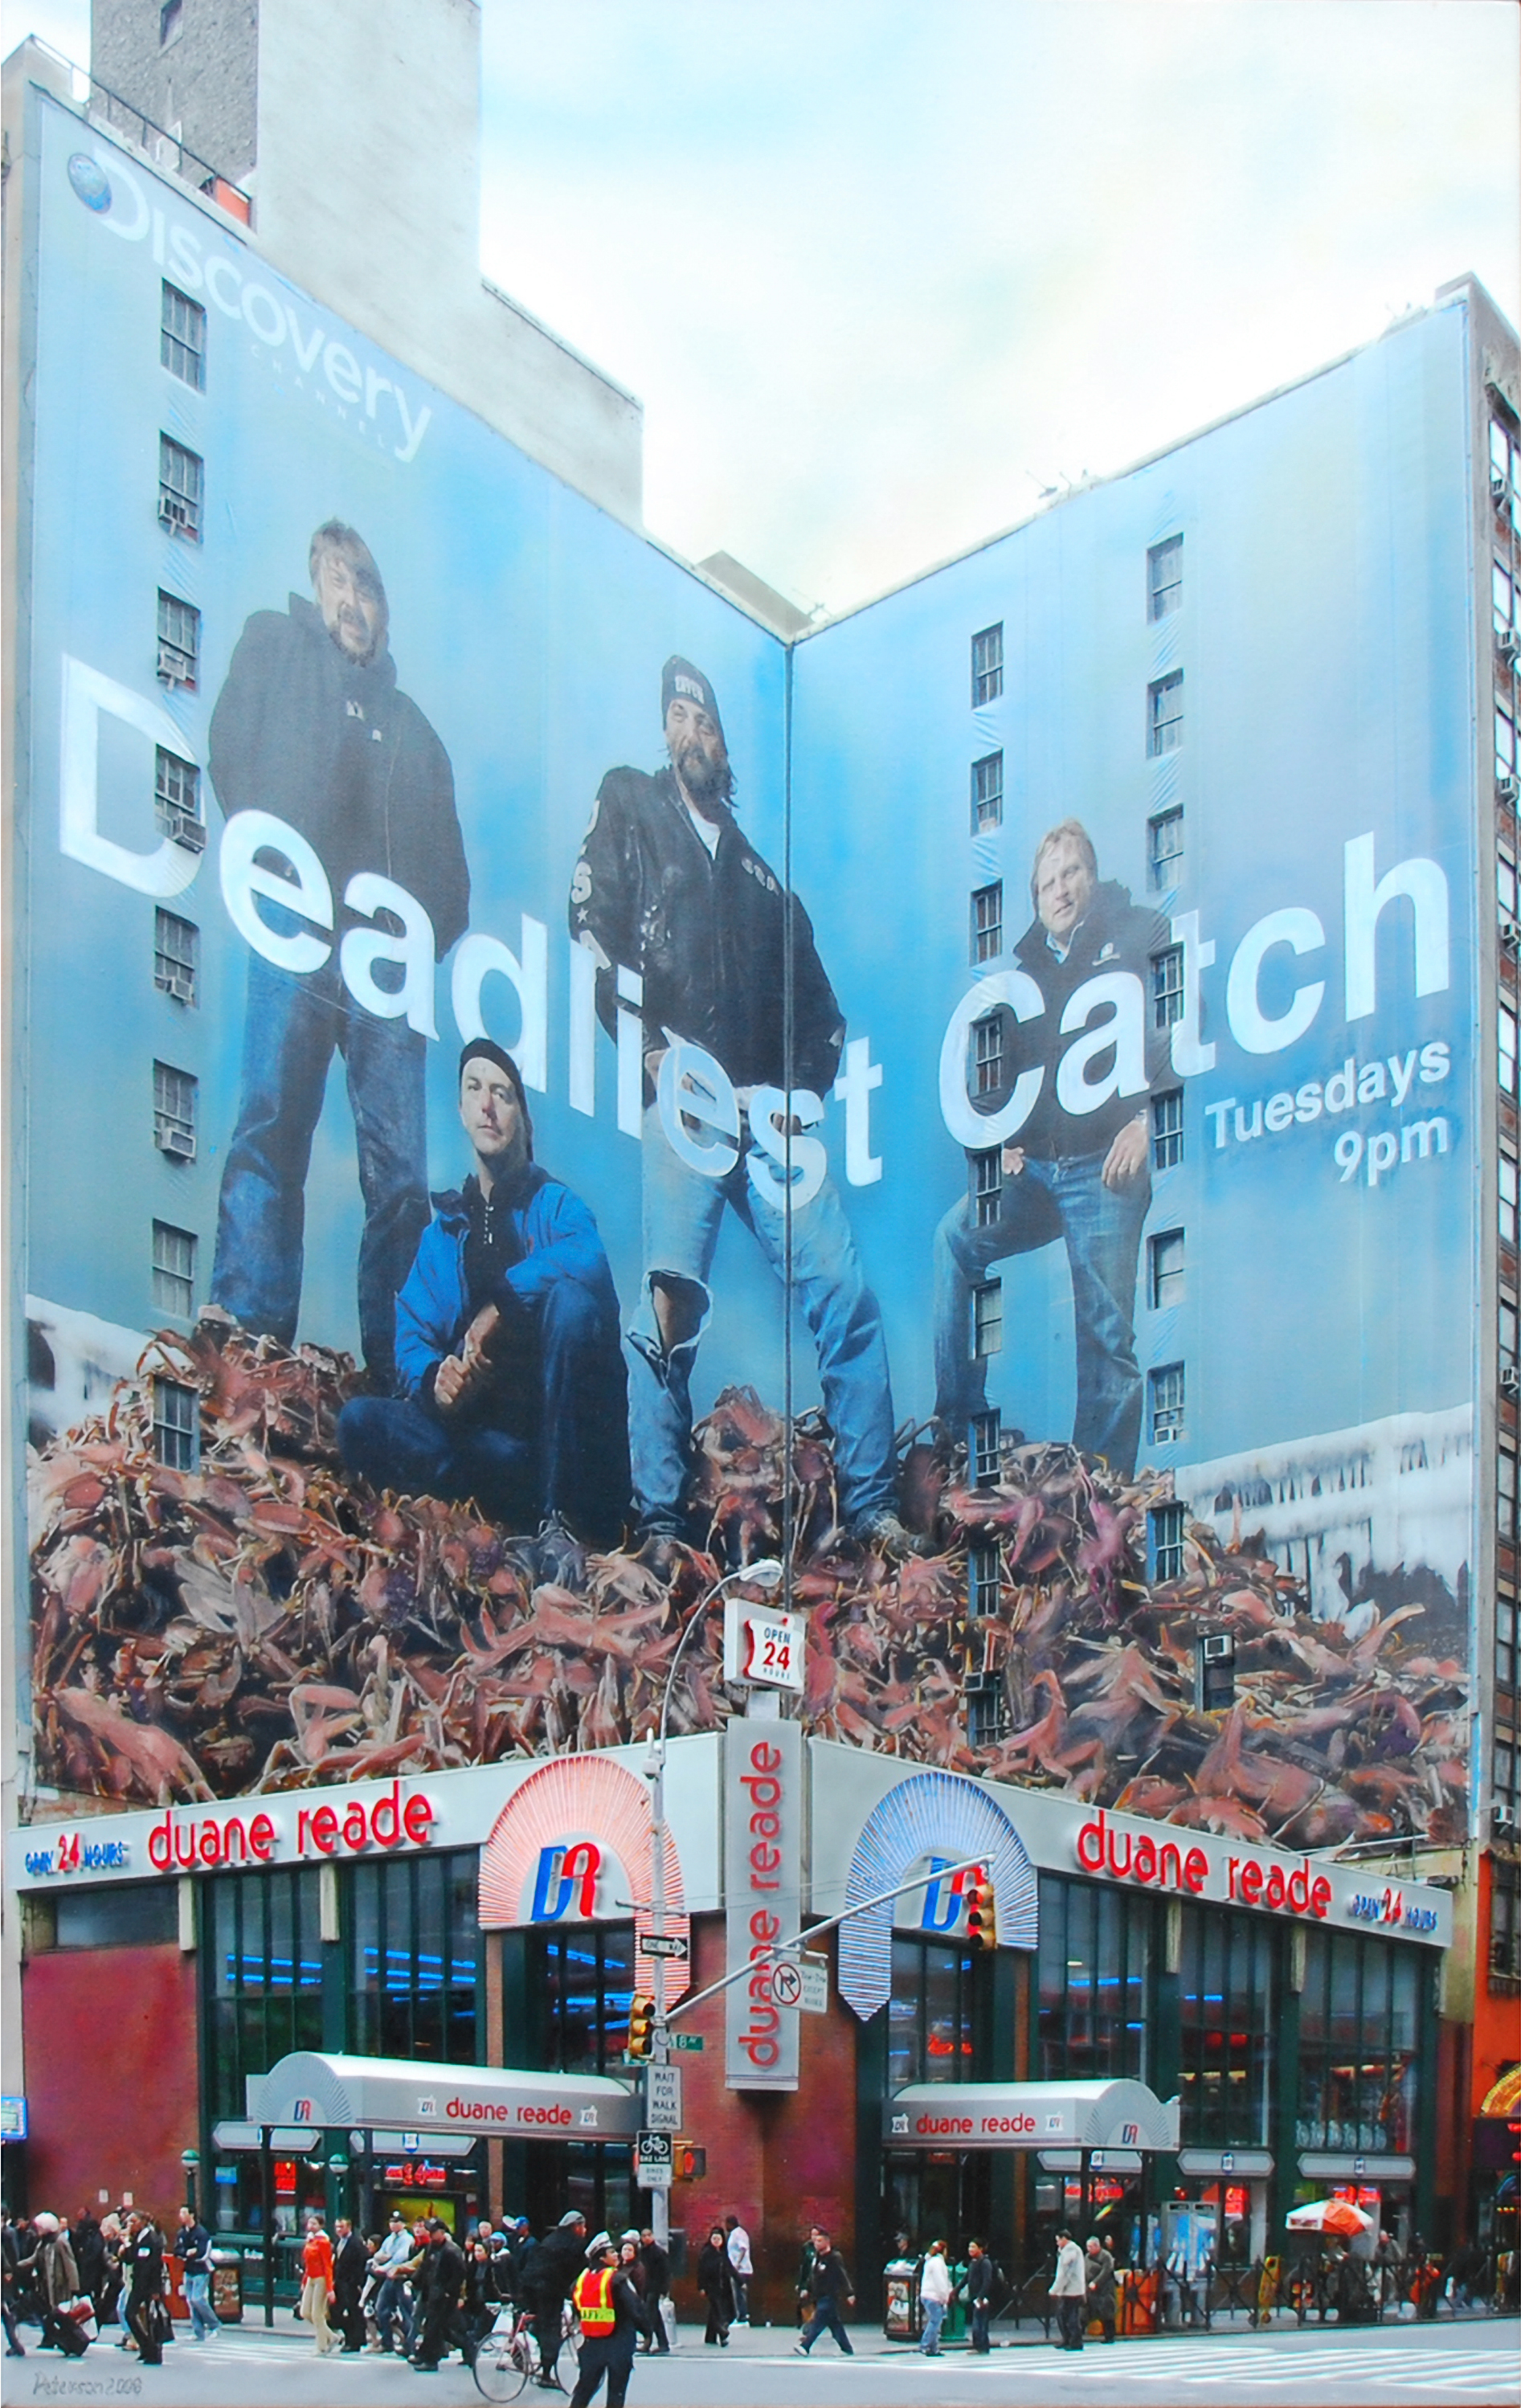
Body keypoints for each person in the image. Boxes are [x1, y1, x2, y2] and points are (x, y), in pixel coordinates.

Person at [570, 656, 913, 1556]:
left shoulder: (768, 883)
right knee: (667, 1305)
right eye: (678, 714)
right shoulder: (631, 805)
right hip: (683, 1090)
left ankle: (873, 1509)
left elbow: (826, 1022)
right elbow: (593, 930)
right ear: (665, 733)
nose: (693, 730)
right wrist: (644, 1046)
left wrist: (793, 1096)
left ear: (724, 745)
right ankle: (654, 1523)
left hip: (762, 1117)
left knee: (843, 1286)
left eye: (706, 719)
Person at [208, 520, 471, 1393]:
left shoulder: (415, 729)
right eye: (340, 582)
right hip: (291, 921)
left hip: (379, 963)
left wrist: (409, 934)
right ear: (314, 585)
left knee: (399, 1179)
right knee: (271, 1120)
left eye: (369, 587)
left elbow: (452, 879)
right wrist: (272, 865)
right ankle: (247, 1331)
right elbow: (228, 750)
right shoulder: (274, 647)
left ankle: (400, 1373)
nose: (355, 603)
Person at [933, 818, 1169, 1478]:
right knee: (954, 1237)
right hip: (1036, 1170)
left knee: (1105, 1332)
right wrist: (998, 1144)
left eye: (1070, 873)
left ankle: (1096, 1488)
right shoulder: (1019, 977)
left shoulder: (1142, 932)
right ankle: (955, 1429)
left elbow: (1178, 1030)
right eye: (1045, 883)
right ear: (1033, 899)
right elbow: (990, 1087)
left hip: (1106, 1166)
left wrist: (1148, 1121)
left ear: (1093, 876)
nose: (1059, 889)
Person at [339, 1040, 630, 1552]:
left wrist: (502, 1303)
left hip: (557, 1451)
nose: (488, 1105)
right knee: (362, 1420)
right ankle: (479, 1519)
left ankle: (565, 1525)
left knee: (571, 1303)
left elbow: (590, 1263)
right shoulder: (446, 1230)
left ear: (522, 1115)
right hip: (484, 1450)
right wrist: (437, 1380)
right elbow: (412, 1333)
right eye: (474, 1089)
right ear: (461, 1108)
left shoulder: (556, 1206)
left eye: (503, 1093)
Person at [569, 2233, 649, 2408]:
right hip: (619, 2341)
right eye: (612, 2252)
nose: (617, 2255)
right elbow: (635, 2308)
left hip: (591, 2344)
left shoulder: (581, 2281)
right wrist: (647, 2331)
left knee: (584, 2390)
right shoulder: (617, 2279)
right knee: (616, 2392)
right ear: (602, 2258)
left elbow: (578, 2307)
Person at [521, 2210, 587, 2389]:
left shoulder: (551, 2238)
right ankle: (546, 2374)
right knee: (552, 2328)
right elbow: (580, 2271)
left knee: (540, 2321)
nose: (584, 2230)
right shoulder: (575, 2243)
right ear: (576, 2226)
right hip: (549, 2289)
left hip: (530, 2285)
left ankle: (521, 2346)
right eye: (583, 2226)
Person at [412, 2218, 472, 2370]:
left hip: (444, 2296)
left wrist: (449, 2293)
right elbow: (425, 2267)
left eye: (433, 2232)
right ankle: (470, 2350)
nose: (430, 2234)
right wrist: (415, 2281)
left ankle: (431, 2360)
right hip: (431, 2292)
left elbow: (460, 2274)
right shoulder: (432, 2247)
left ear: (442, 2232)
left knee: (435, 2327)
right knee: (441, 2327)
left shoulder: (451, 2251)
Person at [793, 2225, 855, 2356]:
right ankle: (847, 2348)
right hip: (819, 2295)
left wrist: (849, 2293)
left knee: (818, 2321)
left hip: (830, 2295)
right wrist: (806, 2288)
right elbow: (812, 2275)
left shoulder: (834, 2257)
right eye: (815, 2241)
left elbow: (842, 2275)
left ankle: (806, 2345)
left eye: (820, 2241)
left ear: (827, 2242)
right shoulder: (817, 2258)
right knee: (835, 2324)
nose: (816, 2243)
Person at [370, 2210, 417, 2354]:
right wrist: (382, 2261)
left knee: (406, 2313)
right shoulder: (389, 2239)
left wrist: (384, 2266)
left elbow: (400, 2258)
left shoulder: (407, 2239)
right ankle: (387, 2342)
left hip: (402, 2279)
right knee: (381, 2309)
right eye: (391, 2222)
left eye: (397, 2222)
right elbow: (379, 2254)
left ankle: (410, 2345)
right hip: (389, 2278)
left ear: (403, 2224)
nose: (393, 2225)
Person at [124, 2212, 167, 2367]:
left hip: (149, 2285)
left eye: (133, 2221)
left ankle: (154, 2351)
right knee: (130, 2313)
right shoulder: (137, 2238)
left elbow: (155, 2266)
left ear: (142, 2222)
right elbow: (130, 2259)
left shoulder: (152, 2239)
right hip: (139, 2283)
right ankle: (146, 2346)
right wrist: (126, 2244)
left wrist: (156, 2289)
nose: (131, 2225)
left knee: (151, 2319)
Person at [175, 2205, 220, 2342]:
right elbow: (177, 2251)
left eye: (184, 2213)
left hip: (201, 2270)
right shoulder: (181, 2233)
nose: (180, 2216)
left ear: (192, 2215)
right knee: (190, 2301)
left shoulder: (202, 2233)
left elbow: (203, 2253)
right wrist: (187, 2253)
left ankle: (215, 2325)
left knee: (197, 2299)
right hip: (188, 2270)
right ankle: (198, 2331)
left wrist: (190, 2254)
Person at [300, 2212, 336, 2354]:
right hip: (311, 2277)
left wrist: (329, 2288)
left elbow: (327, 2265)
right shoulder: (310, 2240)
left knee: (317, 2313)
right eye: (310, 2223)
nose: (311, 2226)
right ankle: (331, 2336)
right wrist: (304, 2280)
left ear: (321, 2226)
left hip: (321, 2278)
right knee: (305, 2312)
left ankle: (322, 2346)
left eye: (314, 2224)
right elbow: (307, 2263)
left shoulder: (323, 2241)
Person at [332, 2216, 368, 2352]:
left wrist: (356, 2282)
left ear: (349, 2227)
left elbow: (361, 2263)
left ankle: (354, 2341)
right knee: (338, 2312)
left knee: (353, 2312)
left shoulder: (356, 2243)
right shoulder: (338, 2242)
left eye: (342, 2227)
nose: (339, 2230)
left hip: (351, 2283)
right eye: (337, 2227)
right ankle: (349, 2337)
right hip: (340, 2282)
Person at [1049, 2227, 1087, 2350]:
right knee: (1064, 2315)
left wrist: (1054, 2289)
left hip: (1072, 2290)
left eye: (1058, 2240)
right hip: (1070, 2289)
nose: (1057, 2243)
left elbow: (1065, 2273)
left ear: (1064, 2239)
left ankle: (1075, 2341)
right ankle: (1068, 2339)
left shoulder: (1070, 2250)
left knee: (1071, 2316)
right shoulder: (1068, 2250)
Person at [697, 2226, 734, 2346]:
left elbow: (730, 2268)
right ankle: (722, 2334)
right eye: (714, 2239)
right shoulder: (707, 2253)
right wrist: (701, 2287)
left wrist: (740, 2281)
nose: (716, 2241)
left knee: (714, 2312)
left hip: (722, 2287)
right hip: (711, 2287)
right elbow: (701, 2271)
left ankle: (710, 2337)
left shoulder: (722, 2253)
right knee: (718, 2313)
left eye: (719, 2239)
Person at [636, 2229, 670, 2354]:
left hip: (654, 2287)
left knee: (651, 2315)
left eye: (649, 2235)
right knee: (653, 2316)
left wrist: (664, 2289)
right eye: (644, 2236)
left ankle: (650, 2342)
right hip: (646, 2288)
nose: (646, 2238)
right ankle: (661, 2342)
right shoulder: (641, 2252)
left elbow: (666, 2272)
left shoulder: (658, 2253)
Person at [918, 2238, 952, 2355]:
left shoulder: (930, 2261)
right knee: (935, 2321)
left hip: (928, 2295)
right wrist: (945, 2296)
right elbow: (941, 2281)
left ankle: (933, 2347)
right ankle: (926, 2345)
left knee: (935, 2322)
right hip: (934, 2296)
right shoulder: (938, 2263)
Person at [963, 2238, 996, 2354]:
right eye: (969, 2247)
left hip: (982, 2297)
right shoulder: (973, 2262)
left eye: (973, 2247)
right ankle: (980, 2346)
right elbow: (966, 2278)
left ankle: (981, 2346)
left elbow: (987, 2280)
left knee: (980, 2322)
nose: (970, 2249)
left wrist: (981, 2297)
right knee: (977, 2321)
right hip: (974, 2296)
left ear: (980, 2249)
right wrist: (955, 2291)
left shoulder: (985, 2262)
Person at [1085, 2234, 1118, 2343]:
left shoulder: (1106, 2256)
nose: (1088, 2249)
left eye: (1090, 2247)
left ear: (1097, 2246)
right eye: (1088, 2247)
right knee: (1085, 2311)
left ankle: (1110, 2336)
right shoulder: (1087, 2257)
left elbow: (1106, 2271)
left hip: (1105, 2289)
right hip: (1090, 2289)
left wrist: (1096, 2282)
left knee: (1107, 2313)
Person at [725, 2214, 753, 2325]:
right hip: (738, 2269)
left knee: (740, 2293)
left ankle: (743, 2317)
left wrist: (737, 2263)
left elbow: (743, 2248)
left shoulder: (738, 2234)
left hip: (741, 2269)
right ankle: (740, 2316)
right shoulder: (735, 2233)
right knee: (738, 2293)